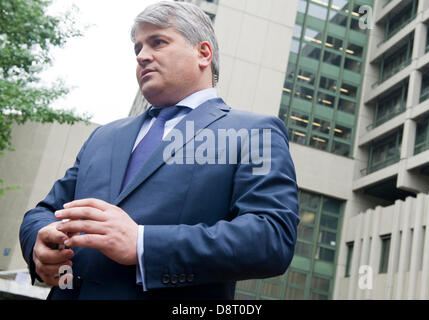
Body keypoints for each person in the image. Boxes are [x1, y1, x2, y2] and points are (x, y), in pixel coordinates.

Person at [19, 1, 299, 300]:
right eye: (137, 47)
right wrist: (39, 240)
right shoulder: (103, 136)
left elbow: (271, 237)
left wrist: (143, 244)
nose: (142, 56)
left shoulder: (254, 132)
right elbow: (45, 211)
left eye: (158, 42)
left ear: (203, 53)